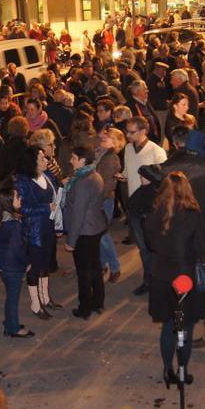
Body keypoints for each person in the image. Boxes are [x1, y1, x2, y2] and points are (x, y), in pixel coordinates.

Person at [143, 172, 205, 388]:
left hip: (161, 276)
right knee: (186, 327)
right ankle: (183, 370)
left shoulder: (153, 214)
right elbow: (203, 248)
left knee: (168, 325)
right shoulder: (192, 214)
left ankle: (167, 369)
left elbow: (149, 245)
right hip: (185, 278)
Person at [121, 117, 168, 295]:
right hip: (134, 205)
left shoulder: (157, 152)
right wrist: (123, 175)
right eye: (127, 131)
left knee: (153, 248)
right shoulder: (127, 148)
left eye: (131, 132)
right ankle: (149, 279)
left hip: (151, 208)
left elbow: (163, 180)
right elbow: (128, 171)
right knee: (142, 248)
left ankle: (156, 280)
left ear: (143, 131)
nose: (127, 135)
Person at [14, 147, 61, 320]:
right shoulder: (22, 181)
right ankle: (35, 304)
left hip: (48, 227)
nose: (46, 160)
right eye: (41, 158)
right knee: (34, 267)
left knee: (46, 264)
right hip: (34, 231)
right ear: (31, 162)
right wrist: (45, 208)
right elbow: (21, 208)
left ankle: (46, 298)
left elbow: (55, 196)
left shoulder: (47, 176)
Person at [62, 146, 108, 320]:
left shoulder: (81, 182)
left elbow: (78, 214)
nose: (70, 161)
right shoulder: (94, 175)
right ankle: (98, 301)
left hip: (84, 231)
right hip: (95, 227)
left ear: (82, 160)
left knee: (83, 271)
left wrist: (71, 241)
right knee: (95, 267)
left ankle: (84, 308)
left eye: (73, 158)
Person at [0, 183, 34, 338]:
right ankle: (12, 328)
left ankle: (10, 321)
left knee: (10, 295)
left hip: (0, 263)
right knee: (13, 297)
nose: (20, 199)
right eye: (16, 197)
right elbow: (18, 248)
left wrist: (1, 249)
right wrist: (26, 262)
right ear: (8, 202)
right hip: (12, 266)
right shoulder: (14, 225)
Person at [95, 127, 124, 282]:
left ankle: (114, 267)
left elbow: (106, 184)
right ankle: (103, 264)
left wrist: (96, 199)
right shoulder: (102, 153)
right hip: (101, 198)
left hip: (104, 199)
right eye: (105, 134)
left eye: (109, 136)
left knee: (103, 234)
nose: (104, 136)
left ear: (116, 142)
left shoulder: (111, 158)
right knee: (99, 234)